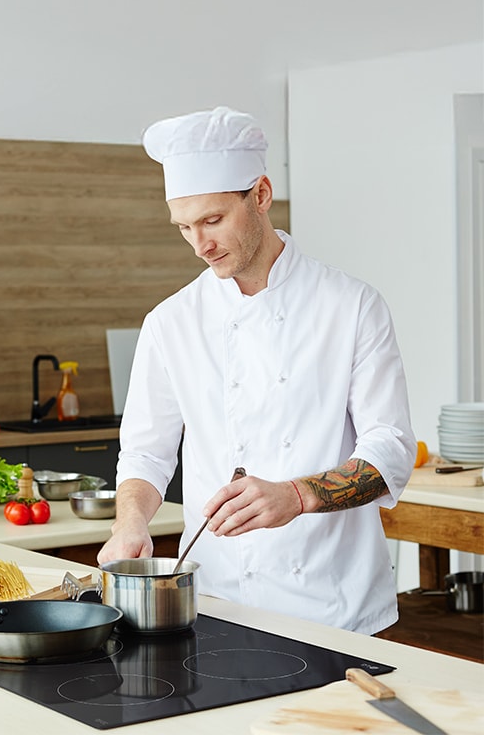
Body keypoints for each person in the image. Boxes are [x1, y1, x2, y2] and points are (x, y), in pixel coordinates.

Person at [98, 106, 416, 634]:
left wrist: (296, 495)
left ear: (261, 195)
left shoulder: (352, 306)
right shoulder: (170, 322)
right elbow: (146, 452)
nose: (200, 245)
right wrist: (131, 521)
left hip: (335, 606)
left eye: (213, 220)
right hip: (217, 600)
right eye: (184, 227)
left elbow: (392, 449)